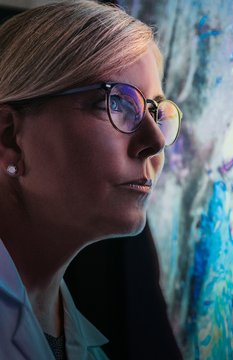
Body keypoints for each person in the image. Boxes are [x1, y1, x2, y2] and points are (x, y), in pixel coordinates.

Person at [0, 1, 182, 359]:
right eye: (117, 104)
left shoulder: (87, 347)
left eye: (155, 111)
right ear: (9, 137)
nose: (156, 142)